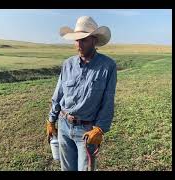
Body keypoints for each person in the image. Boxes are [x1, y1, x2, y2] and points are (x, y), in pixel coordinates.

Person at [46, 16, 117, 171]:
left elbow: (108, 100)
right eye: (76, 40)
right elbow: (59, 94)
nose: (79, 44)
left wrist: (99, 129)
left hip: (87, 131)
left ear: (94, 40)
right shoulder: (68, 64)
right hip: (64, 126)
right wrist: (51, 120)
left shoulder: (108, 66)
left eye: (83, 39)